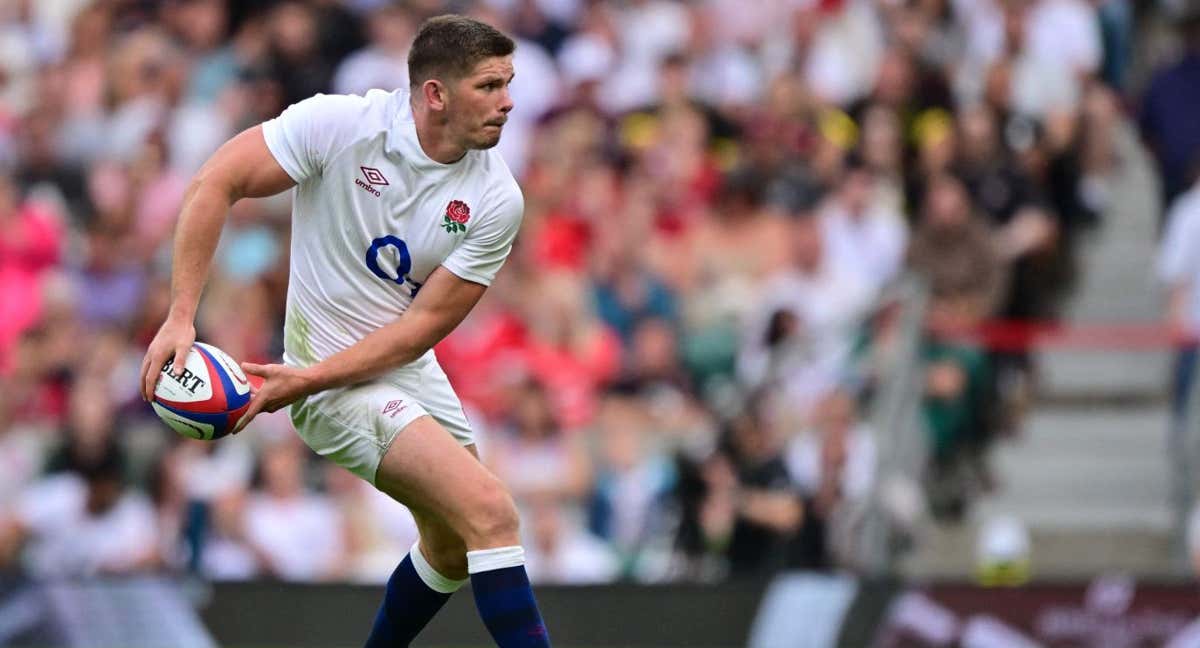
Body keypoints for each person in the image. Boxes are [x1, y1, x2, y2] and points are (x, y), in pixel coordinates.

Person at [138, 15, 550, 648]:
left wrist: (303, 380)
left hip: (386, 366)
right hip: (330, 383)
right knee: (492, 514)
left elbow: (417, 332)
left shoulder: (498, 197)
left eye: (509, 83)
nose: (509, 101)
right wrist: (181, 316)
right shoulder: (339, 126)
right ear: (436, 93)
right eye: (490, 86)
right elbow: (216, 181)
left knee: (450, 549)